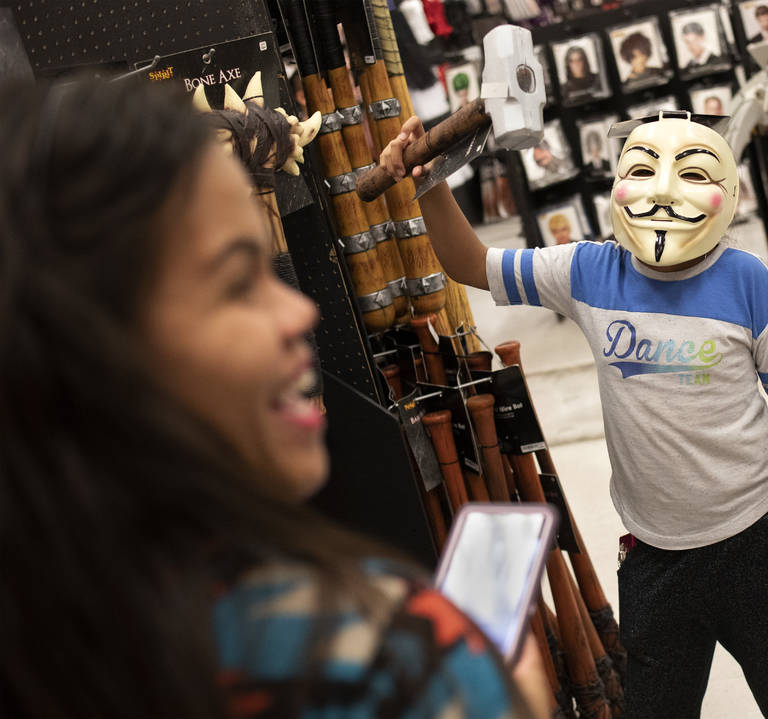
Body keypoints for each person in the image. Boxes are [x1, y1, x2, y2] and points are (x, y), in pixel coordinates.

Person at [0, 77, 546, 719]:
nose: (297, 312)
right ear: (76, 344)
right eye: (236, 282)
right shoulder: (368, 663)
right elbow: (477, 266)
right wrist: (495, 695)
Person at [382, 111, 768, 718]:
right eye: (642, 170)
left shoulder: (748, 282)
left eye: (691, 173)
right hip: (653, 554)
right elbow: (473, 266)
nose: (663, 189)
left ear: (729, 190)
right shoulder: (591, 270)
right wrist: (429, 182)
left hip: (759, 542)